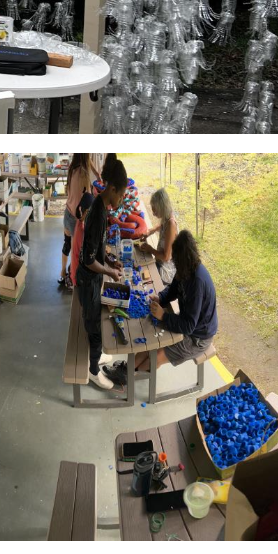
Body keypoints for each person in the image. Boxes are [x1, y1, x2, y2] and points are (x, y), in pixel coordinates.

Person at [130, 230, 218, 380]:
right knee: (150, 340)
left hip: (198, 337)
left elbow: (188, 326)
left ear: (183, 259)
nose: (174, 262)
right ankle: (127, 369)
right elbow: (172, 290)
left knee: (156, 356)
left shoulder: (197, 283)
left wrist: (163, 315)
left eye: (176, 260)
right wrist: (159, 299)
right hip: (187, 322)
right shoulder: (185, 268)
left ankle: (129, 378)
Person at [76, 155, 128, 393]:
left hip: (94, 277)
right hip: (88, 280)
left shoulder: (102, 207)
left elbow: (97, 248)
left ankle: (97, 357)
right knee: (94, 324)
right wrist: (108, 271)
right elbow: (87, 260)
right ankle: (93, 371)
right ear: (113, 188)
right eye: (121, 194)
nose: (122, 199)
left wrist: (109, 261)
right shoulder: (97, 212)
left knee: (96, 320)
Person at [58, 153, 90, 291]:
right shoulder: (84, 173)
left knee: (67, 244)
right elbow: (88, 198)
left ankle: (62, 272)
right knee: (76, 250)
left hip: (67, 212)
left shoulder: (72, 169)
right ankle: (72, 278)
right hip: (77, 218)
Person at [139, 187, 178, 282]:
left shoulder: (171, 224)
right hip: (159, 261)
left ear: (162, 208)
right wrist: (149, 232)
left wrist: (150, 249)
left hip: (166, 270)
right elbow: (161, 226)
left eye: (155, 211)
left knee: (142, 276)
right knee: (141, 265)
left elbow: (166, 257)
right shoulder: (167, 217)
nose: (153, 213)